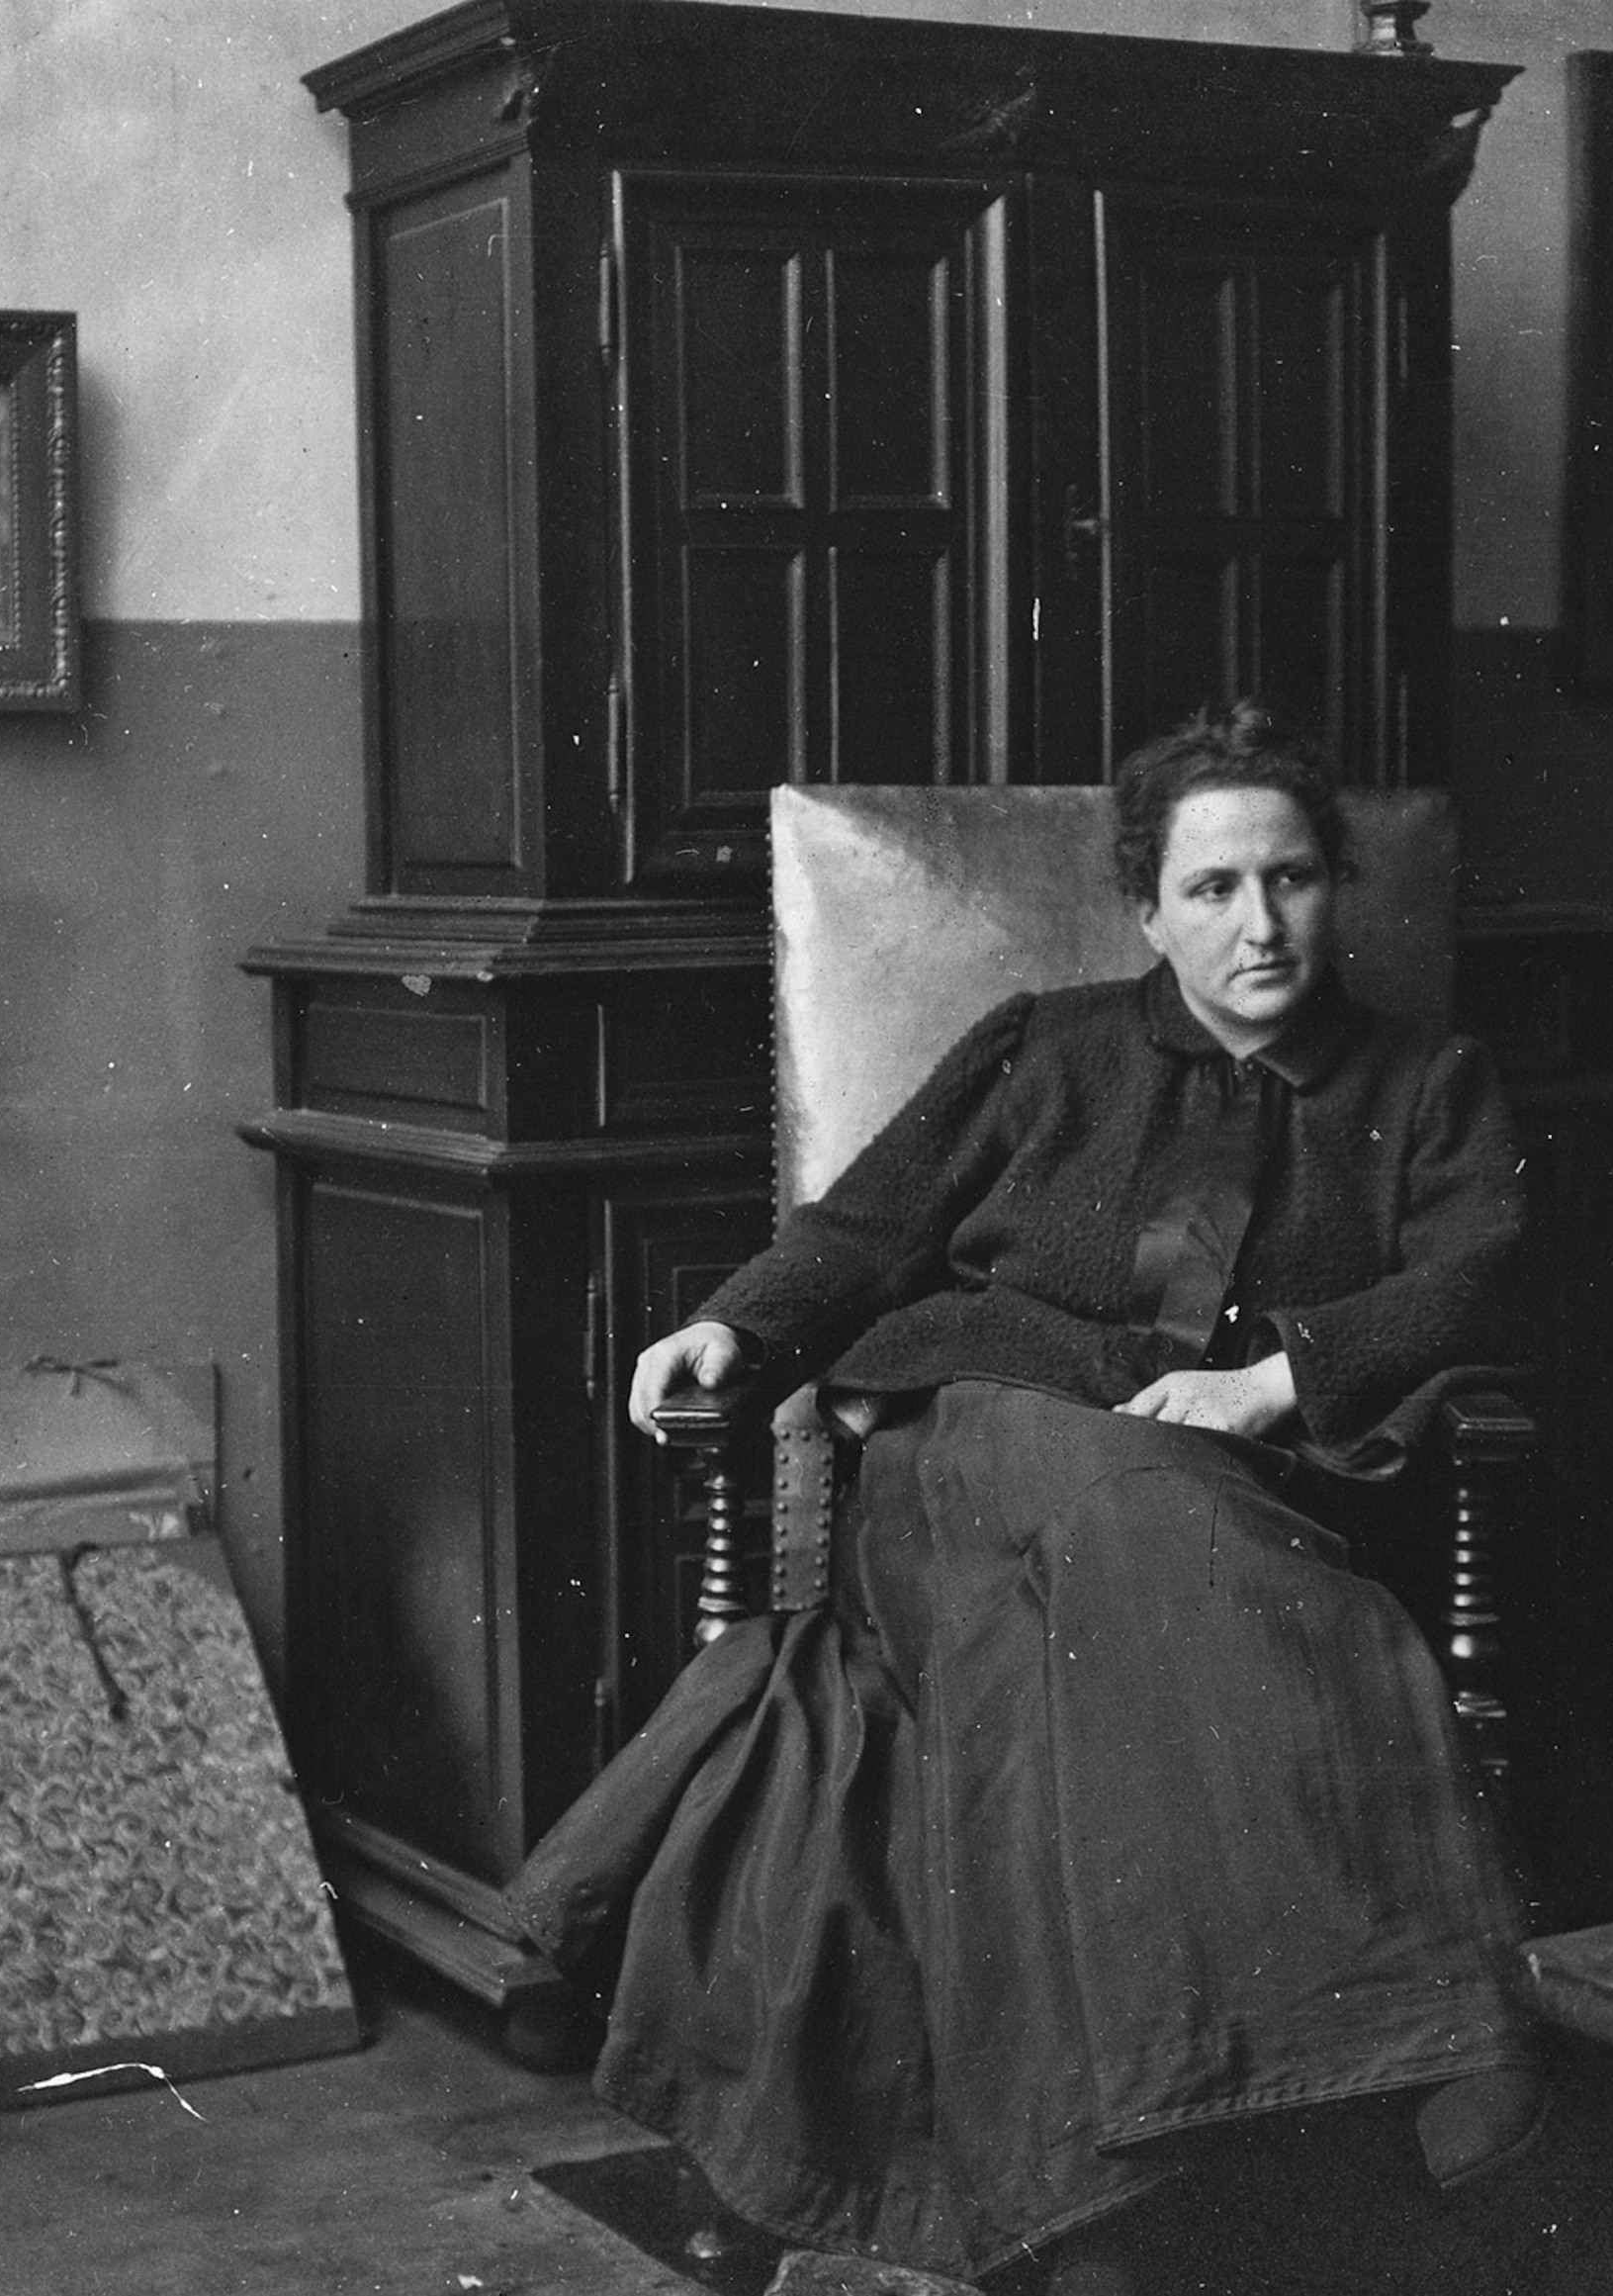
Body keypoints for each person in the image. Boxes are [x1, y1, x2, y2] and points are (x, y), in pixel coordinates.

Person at [507, 701, 1543, 2295]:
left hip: (1240, 1483)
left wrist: (1276, 1382)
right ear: (1145, 908)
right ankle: (1402, 2060)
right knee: (1135, 1513)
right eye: (1211, 890)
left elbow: (1486, 1280)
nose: (1259, 924)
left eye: (1292, 879)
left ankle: (1113, 2190)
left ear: (1340, 886)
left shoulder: (1430, 1082)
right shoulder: (1042, 1045)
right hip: (978, 1445)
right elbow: (867, 1230)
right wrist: (740, 1319)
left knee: (1065, 1684)